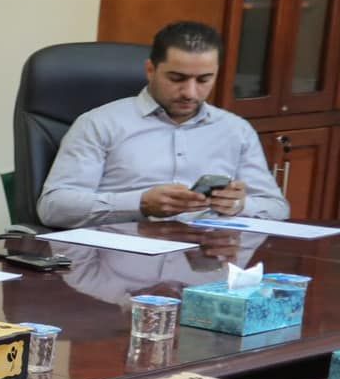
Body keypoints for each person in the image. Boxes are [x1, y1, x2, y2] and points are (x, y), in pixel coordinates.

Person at [38, 20, 287, 228]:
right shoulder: (99, 124)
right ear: (150, 70)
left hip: (205, 255)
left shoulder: (236, 130)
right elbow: (53, 208)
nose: (190, 93)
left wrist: (239, 205)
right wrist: (140, 203)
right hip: (122, 256)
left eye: (204, 80)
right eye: (177, 78)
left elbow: (277, 207)